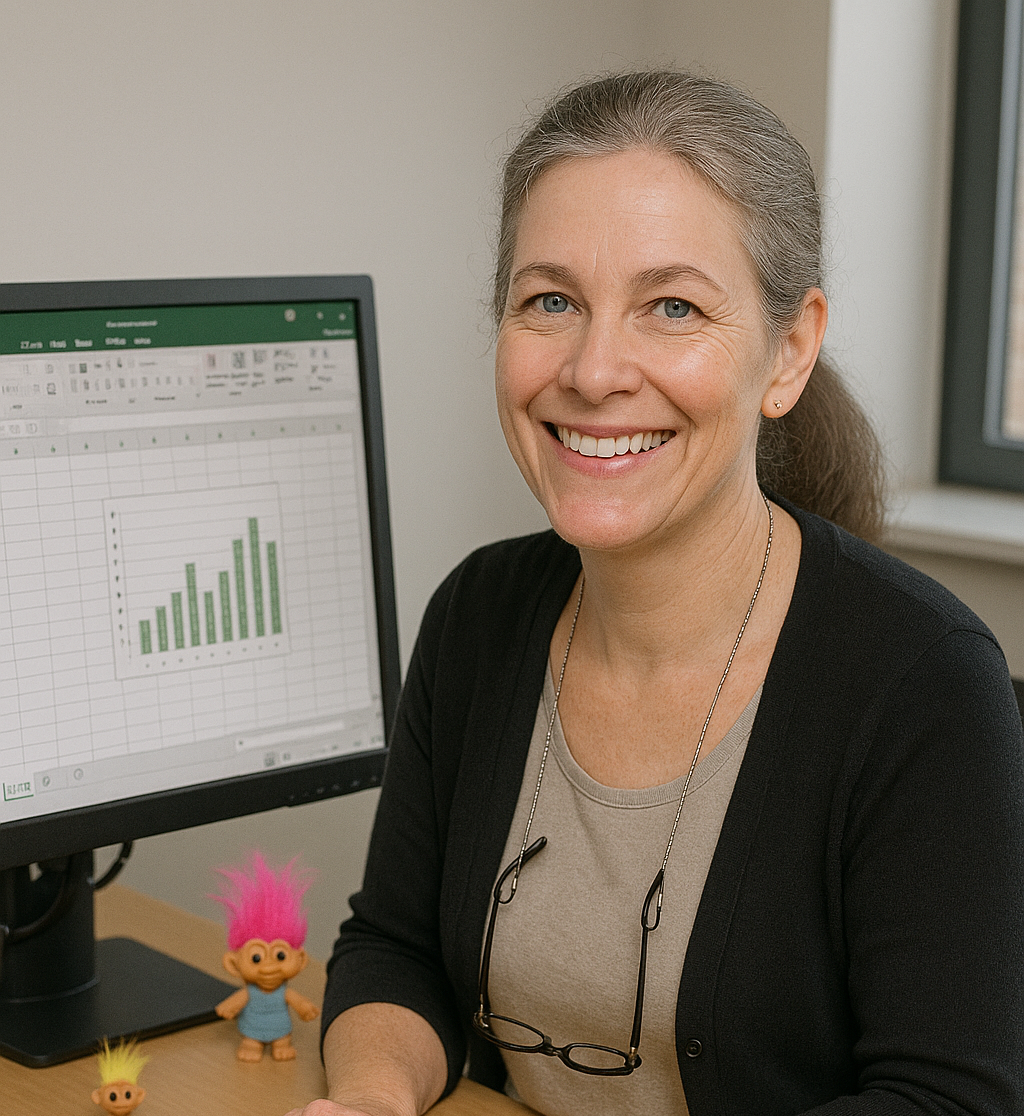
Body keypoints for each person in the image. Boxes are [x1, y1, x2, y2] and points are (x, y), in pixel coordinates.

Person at [287, 71, 1024, 1116]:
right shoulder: (477, 616)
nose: (594, 371)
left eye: (671, 307)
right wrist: (370, 1098)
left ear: (789, 350)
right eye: (551, 301)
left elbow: (947, 1099)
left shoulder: (923, 684)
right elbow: (395, 950)